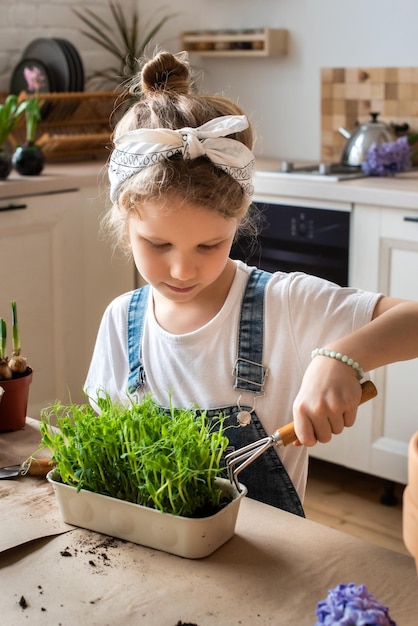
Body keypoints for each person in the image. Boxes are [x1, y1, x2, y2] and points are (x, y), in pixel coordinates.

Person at [85, 50, 418, 516]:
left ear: (237, 225)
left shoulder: (285, 304)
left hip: (267, 570)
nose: (183, 271)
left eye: (209, 246)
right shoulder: (121, 323)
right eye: (158, 245)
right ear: (124, 226)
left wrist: (343, 357)